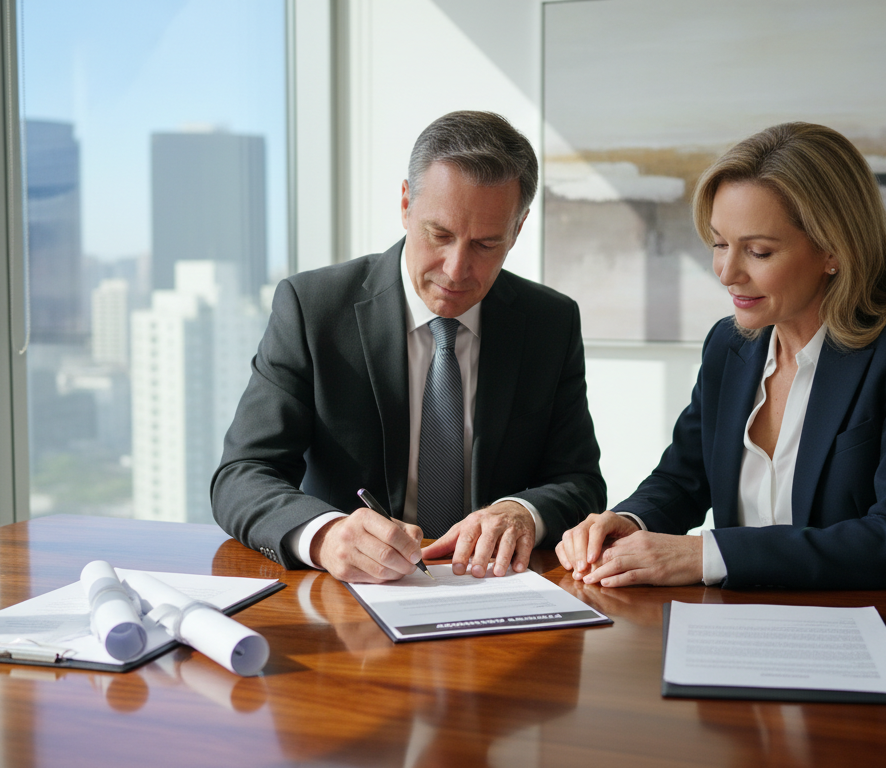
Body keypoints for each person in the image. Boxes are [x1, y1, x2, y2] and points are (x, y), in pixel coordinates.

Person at [556, 122, 886, 590]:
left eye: (759, 251)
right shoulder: (728, 346)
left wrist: (706, 554)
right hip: (735, 627)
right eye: (719, 244)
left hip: (864, 628)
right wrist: (629, 520)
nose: (727, 273)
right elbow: (683, 479)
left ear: (833, 249)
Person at [214, 111, 605, 583]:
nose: (457, 269)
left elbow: (580, 481)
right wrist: (324, 534)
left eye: (485, 244)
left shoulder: (550, 322)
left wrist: (522, 511)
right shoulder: (314, 309)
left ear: (517, 230)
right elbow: (242, 475)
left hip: (493, 594)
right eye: (439, 235)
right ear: (405, 205)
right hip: (349, 601)